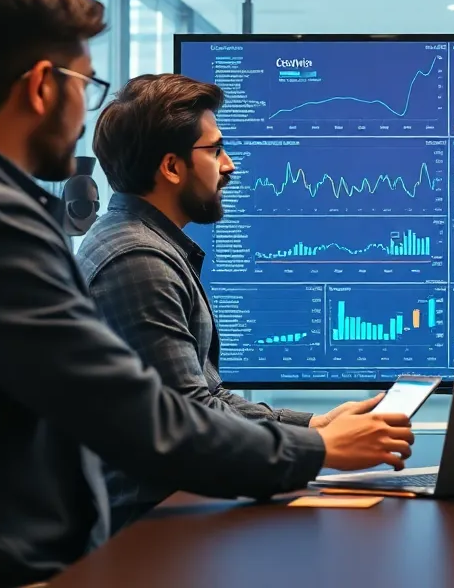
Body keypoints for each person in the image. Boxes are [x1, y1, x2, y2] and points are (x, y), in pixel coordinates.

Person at [0, 0, 414, 587]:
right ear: (43, 86)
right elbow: (144, 422)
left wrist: (310, 430)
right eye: (86, 83)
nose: (85, 110)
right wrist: (317, 449)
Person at [77, 72, 388, 530]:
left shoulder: (145, 245)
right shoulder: (138, 262)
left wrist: (316, 424)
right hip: (153, 531)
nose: (230, 165)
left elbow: (208, 399)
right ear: (171, 167)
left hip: (177, 511)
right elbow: (191, 426)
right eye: (215, 150)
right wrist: (323, 449)